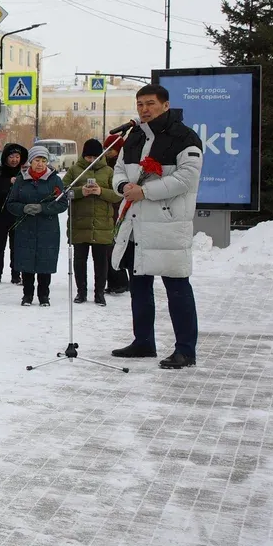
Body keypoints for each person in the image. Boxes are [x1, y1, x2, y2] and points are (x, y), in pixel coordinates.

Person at [110, 85, 203, 369]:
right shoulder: (134, 136)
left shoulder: (184, 137)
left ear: (165, 105)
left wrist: (145, 192)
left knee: (176, 287)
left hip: (167, 226)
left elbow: (186, 179)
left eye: (150, 103)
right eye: (139, 104)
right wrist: (124, 186)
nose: (144, 109)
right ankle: (143, 342)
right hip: (137, 224)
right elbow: (119, 172)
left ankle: (186, 350)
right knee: (139, 286)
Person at [5, 145, 68, 307]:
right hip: (25, 227)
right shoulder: (21, 179)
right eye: (37, 160)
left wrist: (43, 208)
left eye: (43, 160)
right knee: (26, 261)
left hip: (48, 229)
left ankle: (44, 295)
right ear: (30, 161)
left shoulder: (55, 180)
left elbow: (62, 204)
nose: (40, 164)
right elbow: (11, 203)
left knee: (45, 262)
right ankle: (27, 295)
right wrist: (23, 208)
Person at [64, 138, 122, 306]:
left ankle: (99, 293)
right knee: (79, 260)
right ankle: (81, 292)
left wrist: (100, 191)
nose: (91, 160)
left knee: (101, 262)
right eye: (88, 157)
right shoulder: (75, 170)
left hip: (102, 225)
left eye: (94, 157)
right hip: (79, 223)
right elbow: (62, 191)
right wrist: (80, 191)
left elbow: (118, 195)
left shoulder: (109, 171)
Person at [0, 143, 28, 285]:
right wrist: (8, 182)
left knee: (16, 245)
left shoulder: (24, 172)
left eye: (17, 156)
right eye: (11, 156)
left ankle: (16, 274)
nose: (14, 160)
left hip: (17, 214)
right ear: (5, 157)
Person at [101, 133, 131, 295]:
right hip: (108, 209)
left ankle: (118, 282)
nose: (107, 151)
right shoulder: (105, 164)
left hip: (118, 209)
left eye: (110, 149)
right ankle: (117, 281)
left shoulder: (121, 165)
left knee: (113, 247)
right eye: (105, 148)